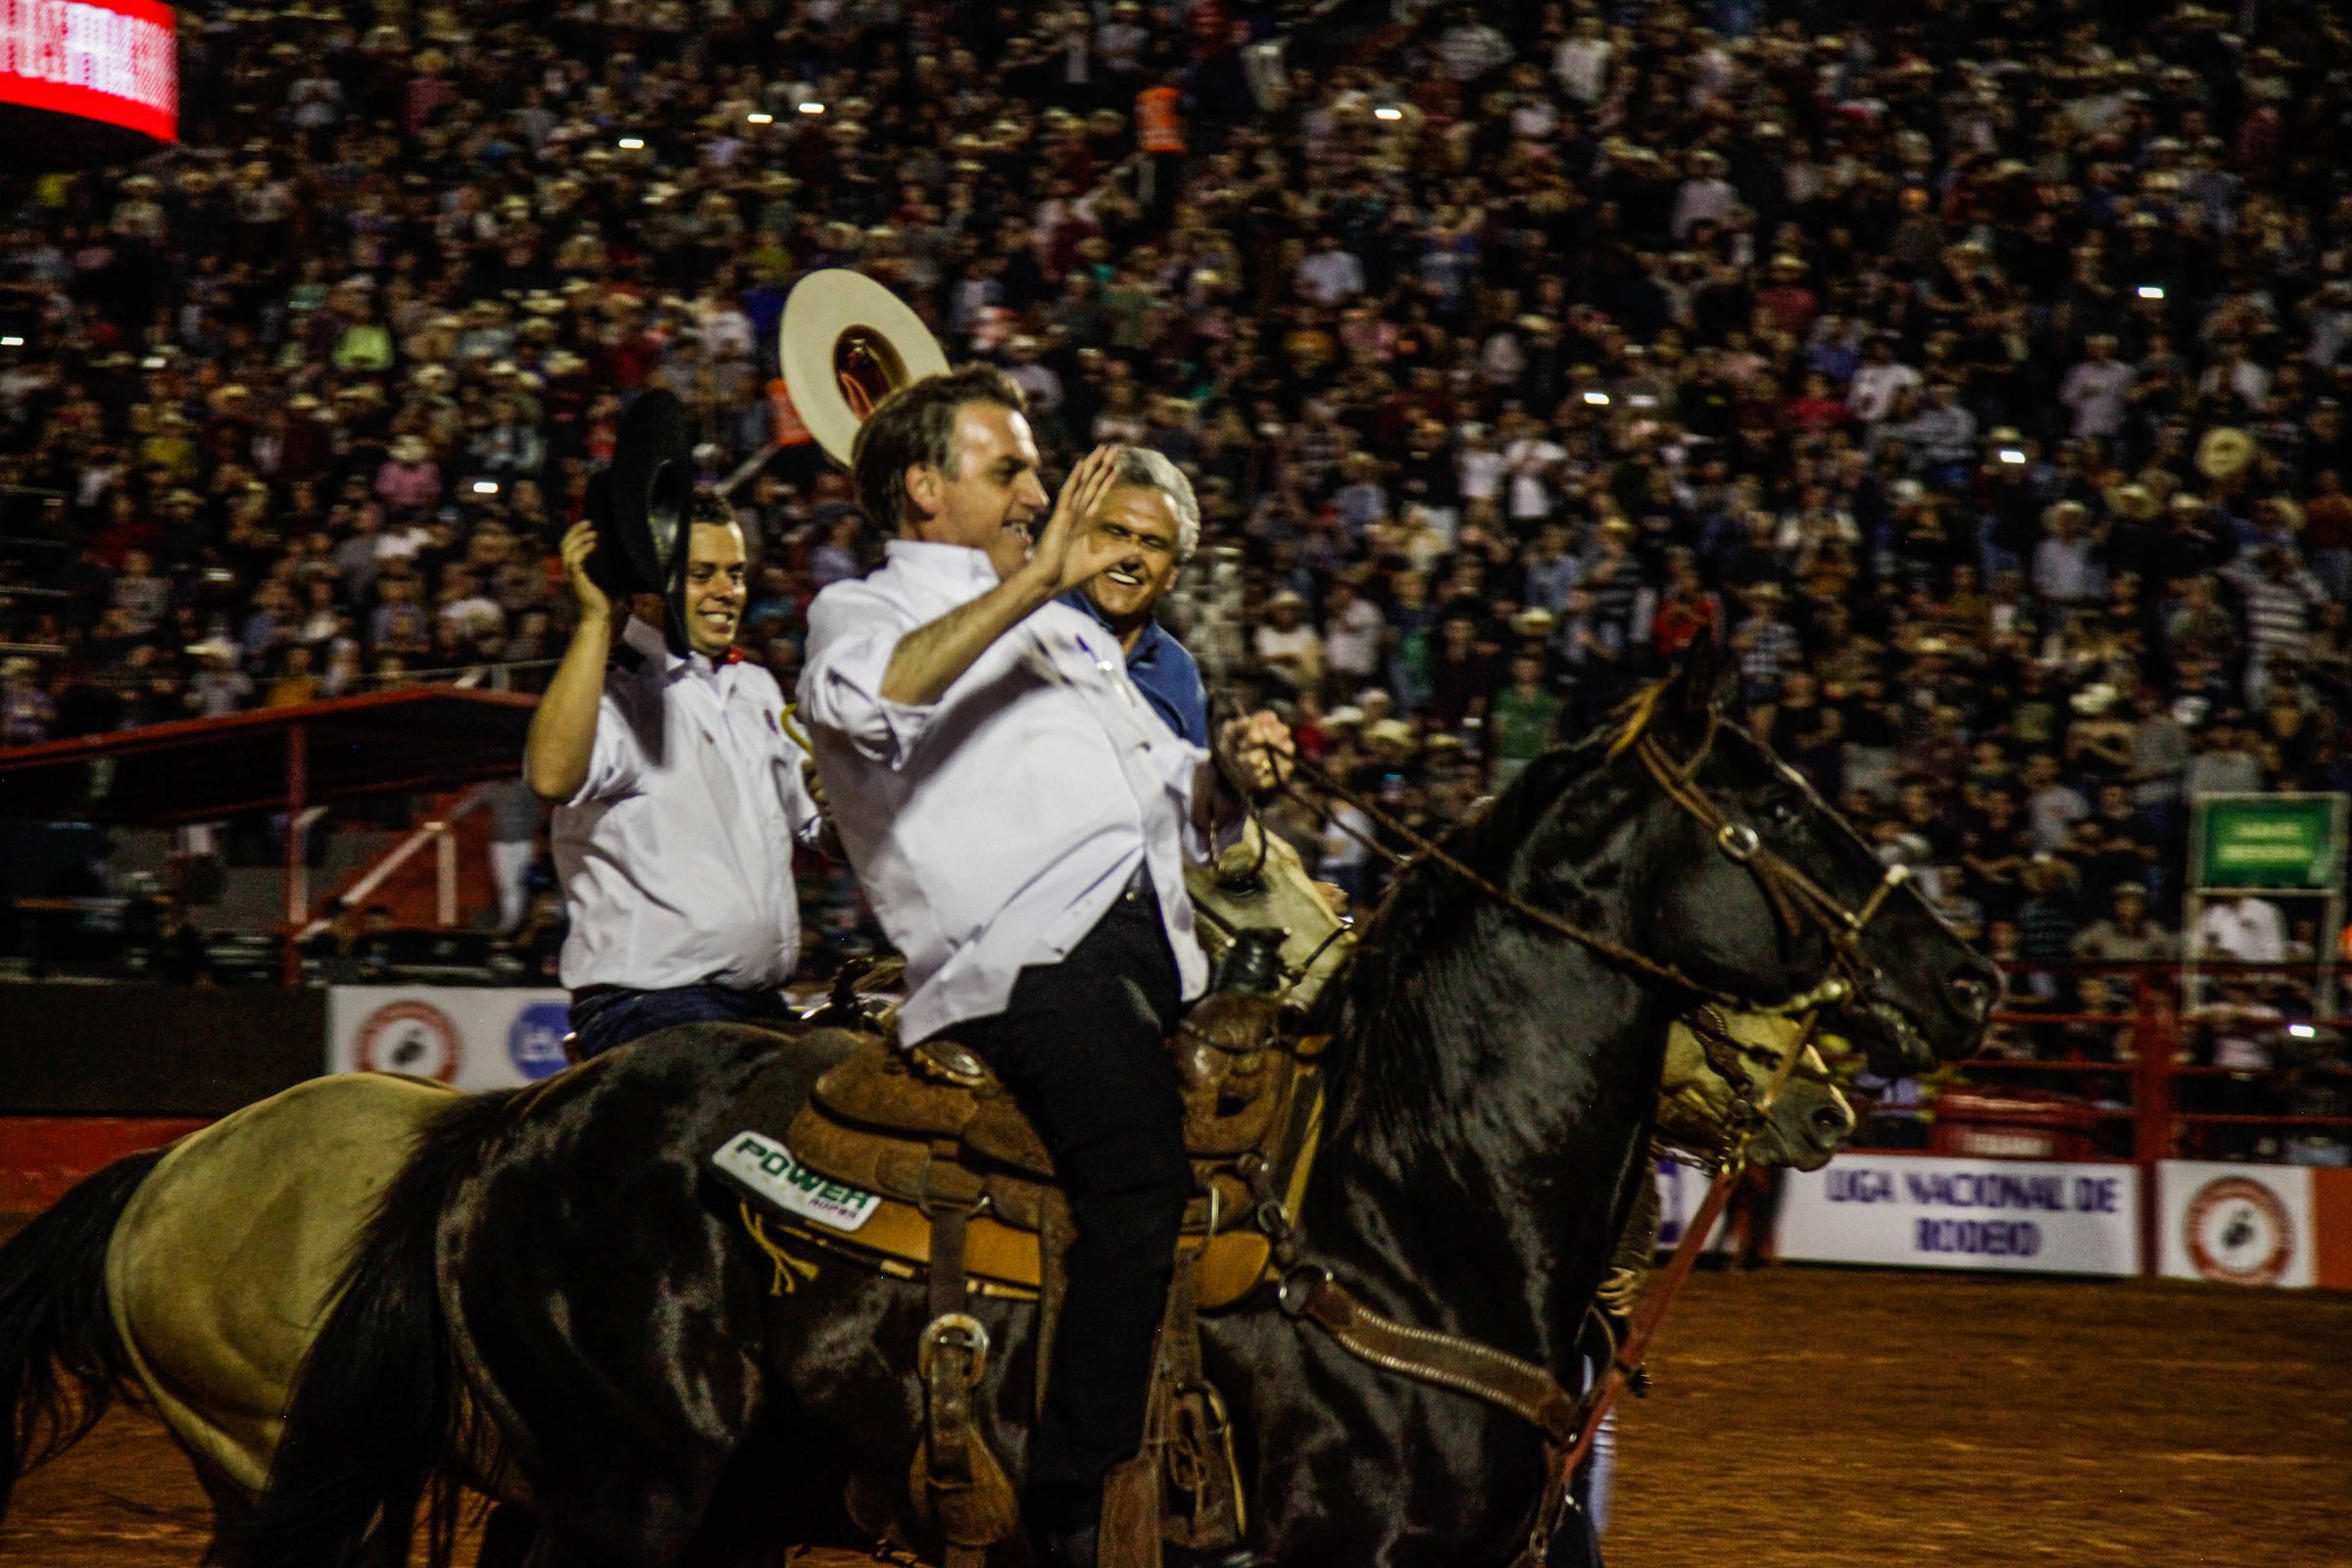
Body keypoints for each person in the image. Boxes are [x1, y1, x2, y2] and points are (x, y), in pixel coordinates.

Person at [796, 367, 1292, 1568]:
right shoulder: (858, 613)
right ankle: (1067, 1501)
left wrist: (1230, 771)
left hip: (1152, 945)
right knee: (1139, 1184)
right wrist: (1037, 580)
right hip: (1032, 957)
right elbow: (866, 708)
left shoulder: (1067, 627)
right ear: (924, 486)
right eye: (1008, 467)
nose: (1036, 489)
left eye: (1031, 466)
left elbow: (1166, 798)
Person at [523, 488, 829, 1060]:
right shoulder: (618, 690)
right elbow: (550, 776)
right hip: (647, 1006)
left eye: (735, 573)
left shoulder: (754, 687)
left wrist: (839, 812)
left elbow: (819, 827)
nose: (726, 592)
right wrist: (596, 620)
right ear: (648, 588)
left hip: (755, 1003)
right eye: (702, 574)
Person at [1056, 445, 1208, 746]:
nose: (1130, 557)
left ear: (1172, 575)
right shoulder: (1024, 632)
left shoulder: (1179, 672)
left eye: (1152, 543)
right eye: (1115, 533)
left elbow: (1191, 788)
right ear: (1079, 538)